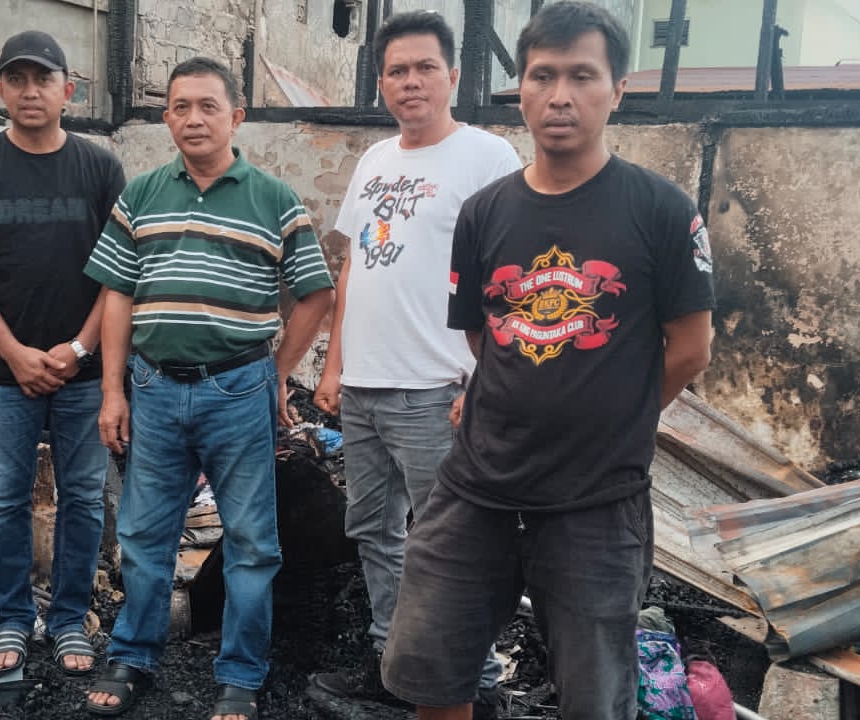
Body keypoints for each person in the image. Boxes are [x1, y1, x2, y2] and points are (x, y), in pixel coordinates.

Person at [379, 3, 716, 719]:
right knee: (432, 676)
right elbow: (483, 336)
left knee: (595, 701)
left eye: (582, 76)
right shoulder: (484, 212)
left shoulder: (661, 211)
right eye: (543, 76)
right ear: (522, 90)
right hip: (477, 486)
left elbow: (691, 349)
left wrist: (613, 415)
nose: (560, 95)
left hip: (596, 500)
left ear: (617, 89)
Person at [82, 57, 335, 720]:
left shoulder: (273, 199)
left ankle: (241, 675)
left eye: (208, 106)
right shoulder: (141, 195)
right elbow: (117, 296)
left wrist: (278, 372)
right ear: (167, 117)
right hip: (155, 389)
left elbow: (316, 294)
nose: (193, 119)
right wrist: (113, 391)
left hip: (239, 391)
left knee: (250, 542)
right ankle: (132, 656)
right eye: (180, 107)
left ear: (236, 117)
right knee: (144, 535)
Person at [306, 10, 521, 716]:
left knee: (449, 544)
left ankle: (476, 682)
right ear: (382, 84)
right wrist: (333, 367)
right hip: (364, 389)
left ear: (453, 75)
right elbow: (353, 269)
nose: (411, 81)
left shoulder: (487, 158)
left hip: (437, 390)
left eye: (425, 67)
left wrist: (484, 381)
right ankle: (394, 665)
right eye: (397, 70)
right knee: (374, 533)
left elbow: (511, 283)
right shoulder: (374, 161)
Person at [0, 29, 125, 684]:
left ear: (69, 91)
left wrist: (80, 348)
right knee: (7, 499)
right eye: (17, 79)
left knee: (84, 498)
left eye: (43, 79)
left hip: (84, 373)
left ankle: (69, 617)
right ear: (0, 90)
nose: (30, 90)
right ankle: (12, 616)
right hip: (0, 374)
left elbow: (119, 272)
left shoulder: (100, 169)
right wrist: (13, 352)